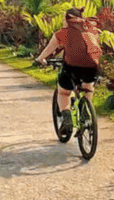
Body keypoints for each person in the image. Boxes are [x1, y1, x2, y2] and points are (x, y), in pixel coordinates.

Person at [35, 7, 102, 136]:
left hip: (72, 67)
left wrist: (40, 59)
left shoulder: (62, 33)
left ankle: (67, 119)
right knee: (88, 88)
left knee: (63, 92)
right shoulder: (93, 30)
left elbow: (49, 49)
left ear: (67, 20)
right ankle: (86, 114)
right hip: (92, 67)